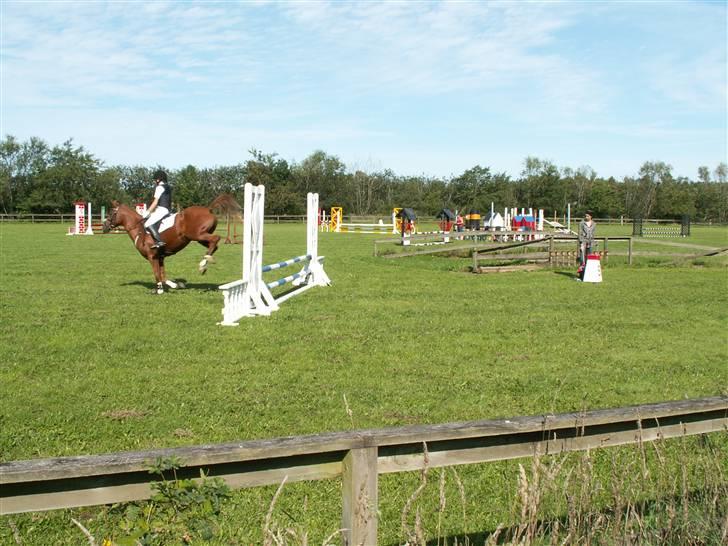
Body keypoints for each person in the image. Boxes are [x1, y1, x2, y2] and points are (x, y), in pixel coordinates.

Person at [144, 170, 172, 249]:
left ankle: (159, 241)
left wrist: (148, 212)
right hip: (168, 209)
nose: (155, 181)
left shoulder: (159, 187)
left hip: (162, 209)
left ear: (158, 179)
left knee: (147, 224)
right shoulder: (168, 187)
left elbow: (155, 202)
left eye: (155, 179)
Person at [578, 210, 596, 277]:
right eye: (585, 216)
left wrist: (593, 242)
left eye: (588, 216)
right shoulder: (581, 223)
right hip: (583, 242)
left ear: (591, 216)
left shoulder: (594, 224)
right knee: (582, 259)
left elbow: (593, 233)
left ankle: (588, 274)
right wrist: (581, 243)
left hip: (590, 242)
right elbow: (580, 233)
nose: (586, 217)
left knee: (589, 258)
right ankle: (581, 274)